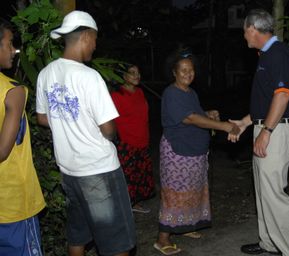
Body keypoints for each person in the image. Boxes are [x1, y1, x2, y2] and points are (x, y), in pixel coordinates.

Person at [35, 11, 135, 256]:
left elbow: (42, 118)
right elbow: (109, 130)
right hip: (98, 170)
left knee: (78, 234)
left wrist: (67, 122)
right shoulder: (90, 77)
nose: (95, 45)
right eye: (95, 39)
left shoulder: (45, 74)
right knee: (117, 241)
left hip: (69, 171)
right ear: (86, 36)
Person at [228, 9, 289, 256]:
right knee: (264, 192)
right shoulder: (266, 55)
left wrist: (267, 130)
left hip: (276, 131)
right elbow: (266, 102)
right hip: (268, 127)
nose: (243, 36)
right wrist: (245, 122)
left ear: (253, 28)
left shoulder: (278, 54)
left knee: (274, 195)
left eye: (244, 31)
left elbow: (283, 96)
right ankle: (269, 244)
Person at [153, 51, 240, 255]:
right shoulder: (171, 93)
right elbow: (189, 119)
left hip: (194, 153)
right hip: (178, 154)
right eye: (183, 70)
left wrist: (208, 114)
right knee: (174, 195)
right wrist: (222, 126)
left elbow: (196, 114)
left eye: (191, 70)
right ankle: (162, 238)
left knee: (192, 192)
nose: (188, 73)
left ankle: (185, 227)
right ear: (174, 72)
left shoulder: (190, 93)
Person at [0, 19, 45, 255]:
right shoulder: (12, 91)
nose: (14, 50)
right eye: (8, 44)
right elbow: (2, 151)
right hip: (13, 203)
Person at [111, 64, 155, 214]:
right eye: (132, 73)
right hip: (127, 143)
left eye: (138, 72)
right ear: (123, 76)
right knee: (128, 177)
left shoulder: (140, 92)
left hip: (142, 140)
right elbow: (111, 120)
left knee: (140, 174)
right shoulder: (117, 96)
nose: (137, 76)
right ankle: (126, 205)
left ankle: (135, 203)